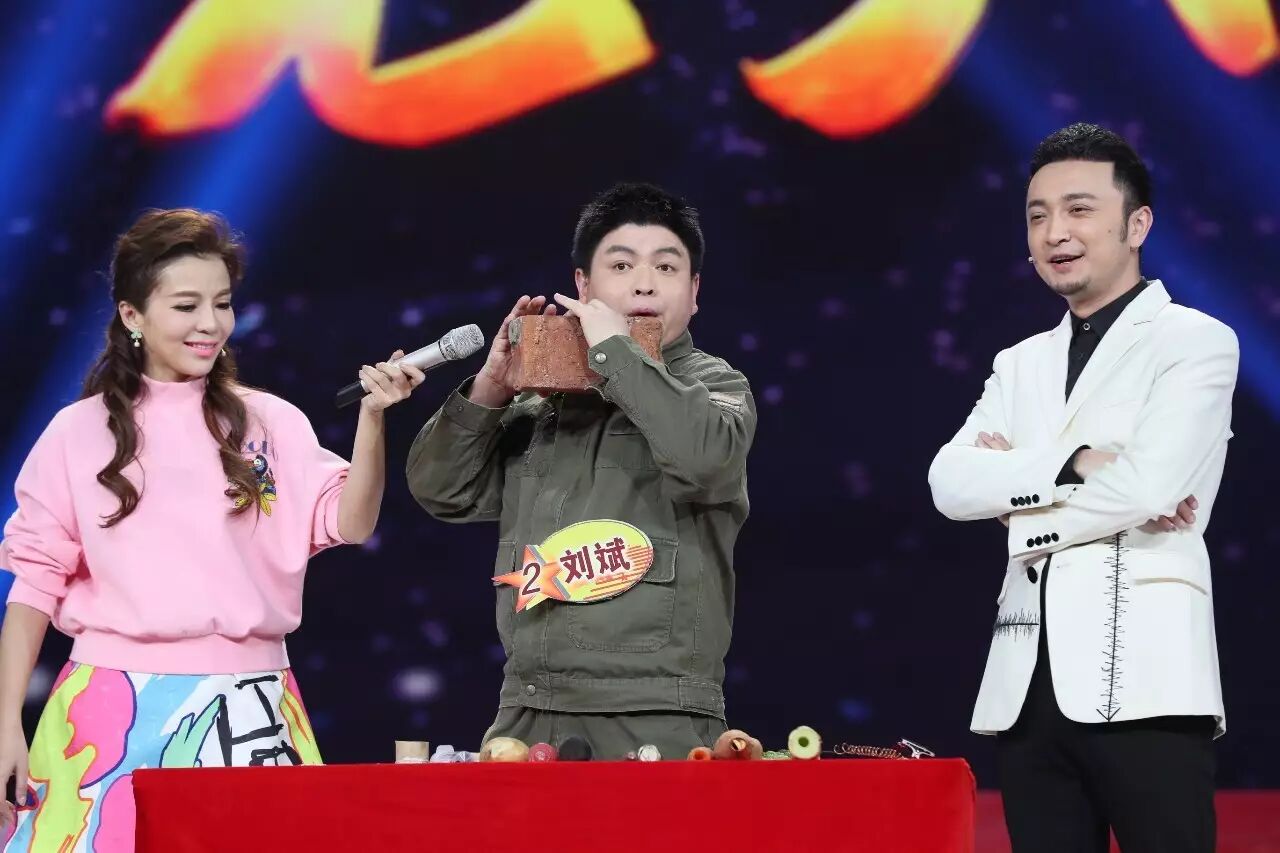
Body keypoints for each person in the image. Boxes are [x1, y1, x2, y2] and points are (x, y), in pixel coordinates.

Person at [0, 208, 423, 850]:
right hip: (107, 710)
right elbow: (32, 588)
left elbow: (351, 523)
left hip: (249, 706)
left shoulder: (270, 421)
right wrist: (6, 723)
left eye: (222, 304)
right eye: (186, 305)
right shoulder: (76, 432)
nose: (209, 323)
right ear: (132, 315)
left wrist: (373, 420)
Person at [928, 123, 1237, 852]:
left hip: (1149, 680)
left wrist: (1017, 506)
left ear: (1137, 225)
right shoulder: (1019, 363)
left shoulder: (1194, 341)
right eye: (1037, 215)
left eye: (1078, 210)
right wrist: (1074, 462)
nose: (1055, 232)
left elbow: (1146, 487)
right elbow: (949, 481)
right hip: (1027, 689)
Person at [407, 182, 755, 759]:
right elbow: (442, 492)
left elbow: (705, 461)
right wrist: (491, 390)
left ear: (694, 292)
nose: (644, 283)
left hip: (657, 714)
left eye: (666, 268)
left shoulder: (716, 385)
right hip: (528, 712)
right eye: (621, 265)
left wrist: (617, 354)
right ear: (583, 287)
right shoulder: (540, 402)